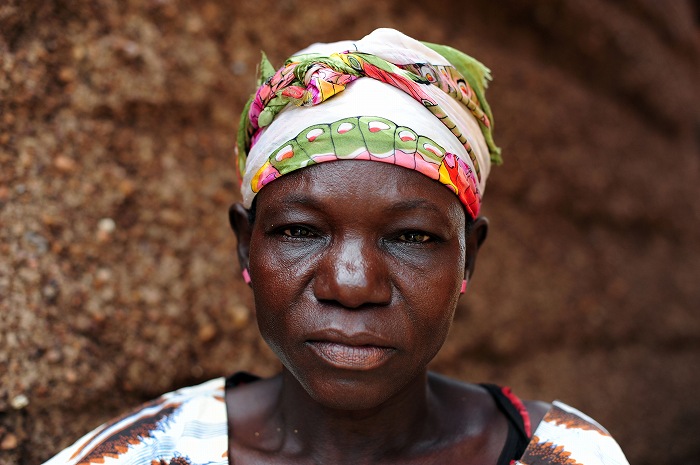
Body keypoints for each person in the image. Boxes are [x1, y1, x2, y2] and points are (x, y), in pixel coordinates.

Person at [45, 28, 630, 465]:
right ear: (246, 248)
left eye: (411, 238)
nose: (351, 285)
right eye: (300, 231)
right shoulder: (146, 452)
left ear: (467, 258)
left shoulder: (566, 454)